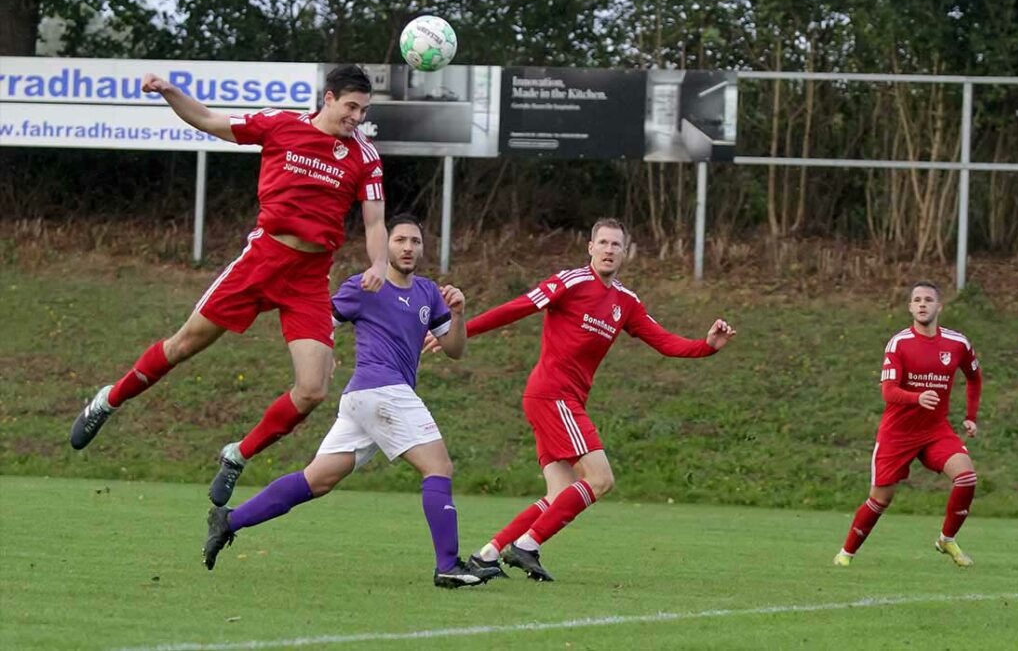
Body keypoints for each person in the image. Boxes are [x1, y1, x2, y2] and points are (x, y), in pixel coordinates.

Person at [69, 65, 389, 508]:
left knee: (313, 389)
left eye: (364, 110)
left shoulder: (364, 155)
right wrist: (168, 91)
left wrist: (379, 263)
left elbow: (375, 220)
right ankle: (109, 400)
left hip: (310, 278)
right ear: (329, 98)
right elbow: (208, 120)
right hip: (262, 261)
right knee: (183, 346)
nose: (357, 116)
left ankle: (237, 455)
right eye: (351, 106)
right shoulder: (280, 125)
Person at [428, 218, 736, 581]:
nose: (608, 250)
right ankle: (527, 545)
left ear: (625, 252)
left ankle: (488, 554)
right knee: (601, 478)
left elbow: (664, 341)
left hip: (561, 399)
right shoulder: (570, 281)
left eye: (615, 245)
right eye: (602, 243)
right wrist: (461, 328)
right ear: (590, 247)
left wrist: (707, 347)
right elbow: (519, 307)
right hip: (551, 394)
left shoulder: (626, 302)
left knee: (560, 491)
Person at [202, 215, 502, 588]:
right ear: (385, 246)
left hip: (367, 400)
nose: (408, 247)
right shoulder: (365, 286)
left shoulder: (427, 293)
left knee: (317, 480)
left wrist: (458, 314)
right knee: (438, 466)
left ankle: (229, 520)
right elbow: (319, 320)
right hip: (383, 391)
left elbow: (454, 350)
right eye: (400, 240)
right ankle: (448, 566)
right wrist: (323, 355)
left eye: (415, 242)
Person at [834, 281, 982, 568]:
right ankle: (846, 554)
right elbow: (888, 392)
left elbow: (975, 378)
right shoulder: (899, 343)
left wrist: (971, 416)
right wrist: (917, 397)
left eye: (928, 299)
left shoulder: (957, 343)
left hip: (935, 431)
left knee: (966, 478)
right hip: (898, 434)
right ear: (910, 307)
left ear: (940, 306)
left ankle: (946, 539)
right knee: (880, 500)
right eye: (917, 300)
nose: (923, 304)